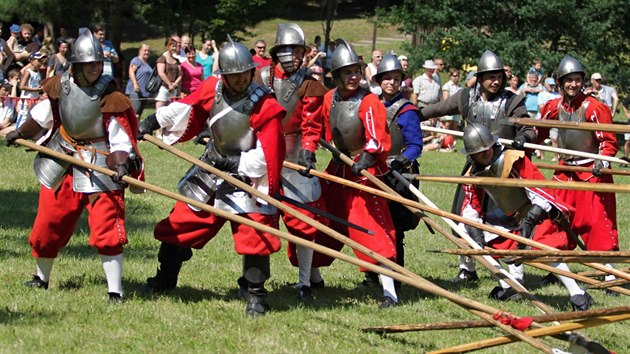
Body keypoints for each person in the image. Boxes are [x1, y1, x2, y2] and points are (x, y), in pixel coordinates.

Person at [139, 37, 286, 317]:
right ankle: (165, 278)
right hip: (210, 169)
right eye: (234, 75)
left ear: (252, 72)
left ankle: (255, 295)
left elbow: (270, 152)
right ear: (225, 75)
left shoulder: (265, 105)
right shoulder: (212, 88)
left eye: (245, 73)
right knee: (178, 223)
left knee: (255, 234)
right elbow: (185, 107)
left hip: (247, 179)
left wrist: (238, 162)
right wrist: (151, 121)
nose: (240, 80)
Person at [4, 28, 143, 302]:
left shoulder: (110, 94)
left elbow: (119, 136)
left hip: (100, 162)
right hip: (62, 156)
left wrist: (121, 163)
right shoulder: (60, 85)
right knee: (48, 223)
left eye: (98, 63)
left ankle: (115, 290)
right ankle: (41, 278)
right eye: (89, 63)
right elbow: (44, 115)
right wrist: (21, 132)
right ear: (76, 64)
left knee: (107, 226)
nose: (94, 68)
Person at [419, 50, 533, 284]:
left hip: (503, 168)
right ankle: (467, 268)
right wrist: (412, 115)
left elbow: (528, 126)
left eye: (498, 76)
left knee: (507, 221)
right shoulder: (466, 98)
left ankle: (514, 272)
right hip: (474, 168)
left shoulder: (512, 101)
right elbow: (438, 109)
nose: (496, 81)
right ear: (480, 78)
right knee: (465, 217)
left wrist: (524, 136)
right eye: (490, 76)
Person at [459, 123, 594, 310]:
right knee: (472, 232)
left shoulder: (513, 159)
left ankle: (577, 292)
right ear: (471, 155)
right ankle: (510, 284)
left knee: (544, 246)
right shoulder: (473, 174)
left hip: (540, 212)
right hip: (512, 216)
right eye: (480, 151)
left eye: (487, 147)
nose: (486, 153)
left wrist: (530, 220)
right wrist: (475, 232)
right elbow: (470, 207)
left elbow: (540, 189)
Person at [309, 39, 400, 308]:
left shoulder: (369, 99)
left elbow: (376, 135)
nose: (353, 77)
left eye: (356, 71)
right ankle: (312, 277)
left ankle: (389, 291)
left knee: (371, 227)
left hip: (364, 171)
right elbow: (320, 127)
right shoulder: (329, 98)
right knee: (321, 217)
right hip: (339, 166)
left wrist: (368, 156)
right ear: (336, 75)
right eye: (347, 72)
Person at [257, 23, 329, 300]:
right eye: (289, 50)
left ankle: (306, 282)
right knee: (259, 215)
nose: (294, 56)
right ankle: (256, 279)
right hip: (261, 153)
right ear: (278, 52)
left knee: (304, 220)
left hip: (296, 153)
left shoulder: (308, 83)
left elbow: (311, 124)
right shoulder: (260, 77)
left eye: (298, 50)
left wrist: (309, 150)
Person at [538, 55, 619, 288]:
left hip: (591, 172)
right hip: (564, 172)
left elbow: (608, 142)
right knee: (552, 219)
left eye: (577, 80)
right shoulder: (553, 107)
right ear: (560, 82)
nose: (573, 84)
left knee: (598, 224)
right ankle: (555, 267)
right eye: (568, 80)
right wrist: (528, 137)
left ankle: (610, 275)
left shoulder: (595, 108)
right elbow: (539, 130)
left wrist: (601, 163)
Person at [368, 53, 423, 288]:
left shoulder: (407, 110)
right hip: (374, 171)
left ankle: (396, 276)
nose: (391, 82)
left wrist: (401, 160)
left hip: (399, 174)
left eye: (396, 78)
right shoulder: (371, 104)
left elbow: (415, 146)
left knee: (395, 227)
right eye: (387, 78)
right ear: (379, 81)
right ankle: (373, 273)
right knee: (373, 224)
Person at [16, 51, 46, 128]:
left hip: (34, 99)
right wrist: (35, 90)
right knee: (23, 115)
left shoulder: (38, 72)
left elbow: (37, 84)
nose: (40, 63)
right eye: (38, 61)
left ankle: (24, 132)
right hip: (26, 99)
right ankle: (17, 130)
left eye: (41, 61)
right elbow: (22, 86)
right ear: (32, 61)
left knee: (30, 116)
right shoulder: (28, 72)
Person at [125, 44, 153, 118]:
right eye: (145, 50)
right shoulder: (136, 60)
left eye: (148, 51)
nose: (147, 52)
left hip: (144, 93)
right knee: (134, 113)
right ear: (140, 51)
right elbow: (131, 72)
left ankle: (136, 129)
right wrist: (135, 84)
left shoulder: (147, 64)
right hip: (135, 91)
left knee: (139, 114)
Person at [155, 37, 182, 111]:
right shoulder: (162, 58)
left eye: (175, 46)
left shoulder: (176, 60)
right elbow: (161, 73)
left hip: (173, 90)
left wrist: (175, 84)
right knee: (159, 112)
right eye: (172, 46)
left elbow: (180, 74)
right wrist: (169, 84)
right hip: (163, 88)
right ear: (167, 46)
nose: (174, 48)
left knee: (170, 113)